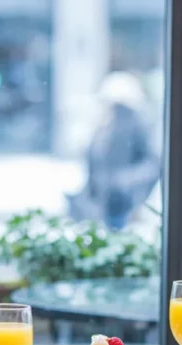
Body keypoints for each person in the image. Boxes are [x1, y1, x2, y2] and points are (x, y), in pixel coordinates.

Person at [67, 71, 160, 230]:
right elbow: (93, 166)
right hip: (100, 205)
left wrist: (125, 180)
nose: (115, 111)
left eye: (119, 107)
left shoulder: (138, 126)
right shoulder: (101, 127)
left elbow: (152, 165)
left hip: (124, 205)